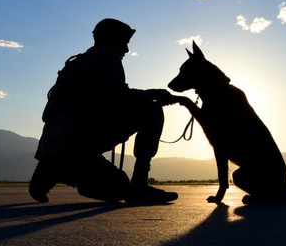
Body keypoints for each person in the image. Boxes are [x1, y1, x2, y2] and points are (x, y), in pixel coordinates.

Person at [29, 18, 180, 204]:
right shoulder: (107, 57)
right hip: (80, 141)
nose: (126, 50)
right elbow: (117, 98)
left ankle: (55, 170)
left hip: (57, 145)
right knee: (152, 111)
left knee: (118, 189)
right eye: (124, 42)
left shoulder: (80, 62)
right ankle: (139, 185)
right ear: (112, 39)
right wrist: (154, 94)